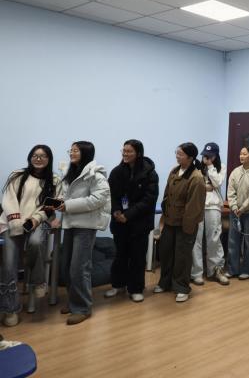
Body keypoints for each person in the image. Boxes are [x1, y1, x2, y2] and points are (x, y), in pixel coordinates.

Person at [0, 145, 61, 327]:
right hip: (12, 221)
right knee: (8, 263)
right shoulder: (17, 175)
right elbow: (8, 201)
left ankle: (38, 281)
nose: (38, 159)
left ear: (49, 159)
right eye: (35, 155)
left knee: (35, 242)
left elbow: (52, 205)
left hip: (39, 220)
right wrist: (17, 224)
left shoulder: (55, 180)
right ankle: (10, 309)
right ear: (30, 158)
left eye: (43, 156)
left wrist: (36, 219)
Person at [56, 141, 111, 325]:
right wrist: (60, 202)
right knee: (66, 266)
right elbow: (68, 196)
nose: (71, 153)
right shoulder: (69, 172)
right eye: (70, 150)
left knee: (79, 267)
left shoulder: (96, 174)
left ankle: (83, 308)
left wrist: (68, 205)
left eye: (75, 151)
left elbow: (98, 199)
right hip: (70, 223)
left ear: (85, 153)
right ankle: (74, 302)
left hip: (86, 226)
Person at [105, 140, 159, 303]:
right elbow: (111, 194)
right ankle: (118, 285)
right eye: (124, 150)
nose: (125, 154)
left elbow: (149, 200)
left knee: (137, 257)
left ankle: (136, 289)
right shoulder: (117, 172)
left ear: (139, 153)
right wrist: (116, 210)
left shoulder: (150, 174)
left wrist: (128, 214)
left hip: (140, 223)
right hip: (120, 222)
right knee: (120, 255)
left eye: (129, 151)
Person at [154, 143, 206, 303]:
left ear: (190, 158)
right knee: (166, 253)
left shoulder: (196, 178)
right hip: (170, 221)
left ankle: (182, 287)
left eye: (181, 154)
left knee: (182, 256)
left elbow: (193, 207)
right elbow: (166, 195)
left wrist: (187, 227)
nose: (177, 156)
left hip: (185, 224)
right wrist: (164, 218)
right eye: (177, 152)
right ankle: (165, 283)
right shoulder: (175, 171)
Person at [191, 142, 228, 286]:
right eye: (205, 156)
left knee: (214, 238)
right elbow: (192, 184)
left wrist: (211, 166)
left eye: (210, 156)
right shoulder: (196, 167)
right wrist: (204, 186)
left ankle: (215, 270)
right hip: (198, 205)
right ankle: (196, 273)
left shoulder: (221, 167)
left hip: (213, 206)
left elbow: (217, 183)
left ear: (215, 156)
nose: (206, 158)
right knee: (196, 238)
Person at [226, 146, 249, 280]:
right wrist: (234, 206)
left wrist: (242, 208)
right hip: (235, 212)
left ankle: (248, 270)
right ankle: (232, 269)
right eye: (240, 154)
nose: (241, 156)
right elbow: (230, 191)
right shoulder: (235, 171)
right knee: (233, 241)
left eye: (245, 154)